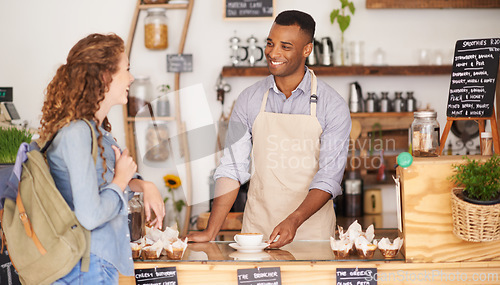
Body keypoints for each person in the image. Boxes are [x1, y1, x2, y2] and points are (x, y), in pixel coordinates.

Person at [188, 10, 351, 248]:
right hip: (256, 235)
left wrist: (294, 220)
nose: (273, 53)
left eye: (285, 46)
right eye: (270, 43)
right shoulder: (248, 100)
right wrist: (211, 230)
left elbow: (329, 178)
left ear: (307, 49)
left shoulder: (332, 105)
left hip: (311, 234)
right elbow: (232, 168)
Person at [38, 33, 165, 284]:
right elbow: (90, 215)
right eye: (126, 70)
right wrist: (121, 180)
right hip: (86, 268)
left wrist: (141, 184)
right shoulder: (78, 133)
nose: (131, 78)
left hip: (94, 265)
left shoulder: (97, 131)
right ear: (105, 76)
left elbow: (100, 182)